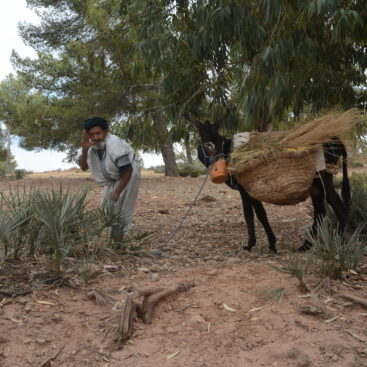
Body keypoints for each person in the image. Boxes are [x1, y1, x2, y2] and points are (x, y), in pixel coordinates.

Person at [76, 117, 141, 240]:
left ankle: (120, 242)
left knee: (123, 208)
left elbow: (128, 171)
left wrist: (117, 192)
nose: (95, 137)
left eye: (98, 133)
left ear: (106, 132)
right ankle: (111, 239)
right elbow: (84, 167)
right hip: (112, 177)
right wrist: (85, 149)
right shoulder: (90, 146)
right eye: (91, 135)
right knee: (106, 208)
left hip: (129, 174)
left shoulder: (115, 145)